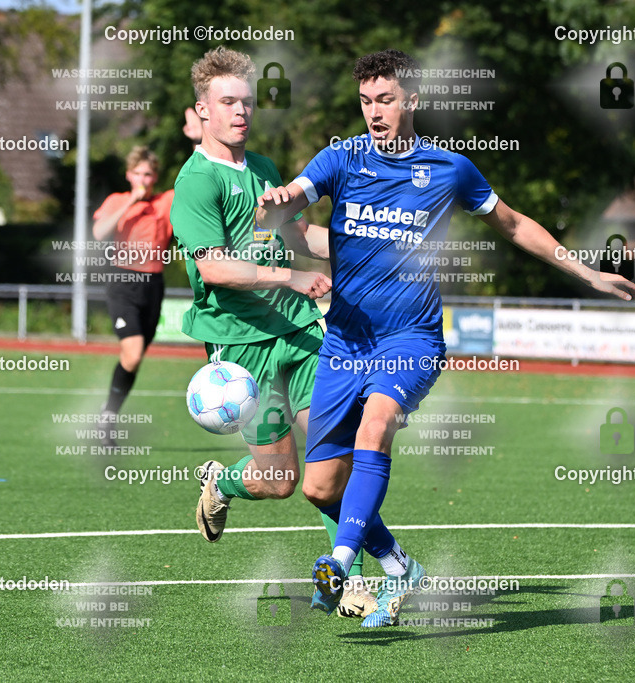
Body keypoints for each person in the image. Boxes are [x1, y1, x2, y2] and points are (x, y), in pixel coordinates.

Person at [256, 48, 635, 627]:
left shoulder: (450, 170)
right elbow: (295, 196)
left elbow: (512, 224)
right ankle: (398, 565)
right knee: (318, 487)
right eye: (365, 101)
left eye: (385, 99)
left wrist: (585, 271)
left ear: (413, 99)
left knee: (377, 423)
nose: (374, 112)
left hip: (411, 338)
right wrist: (277, 206)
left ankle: (338, 560)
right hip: (344, 341)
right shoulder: (340, 160)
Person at [169, 46, 376, 618]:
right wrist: (289, 276)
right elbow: (213, 267)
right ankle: (223, 485)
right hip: (240, 347)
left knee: (337, 451)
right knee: (280, 479)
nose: (240, 112)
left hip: (301, 333)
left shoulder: (261, 168)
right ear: (203, 110)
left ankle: (347, 577)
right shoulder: (195, 183)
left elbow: (298, 234)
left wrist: (373, 249)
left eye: (247, 102)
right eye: (227, 102)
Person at [93, 145, 179, 447]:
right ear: (129, 175)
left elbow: (196, 174)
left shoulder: (164, 202)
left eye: (149, 174)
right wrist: (131, 200)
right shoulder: (117, 200)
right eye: (138, 173)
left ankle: (108, 414)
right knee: (132, 351)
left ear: (155, 176)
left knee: (135, 358)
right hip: (122, 281)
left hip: (153, 284)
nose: (144, 179)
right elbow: (99, 231)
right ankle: (107, 417)